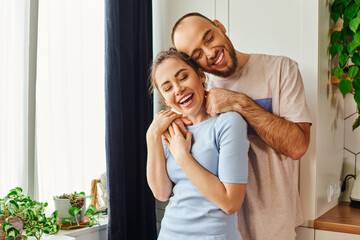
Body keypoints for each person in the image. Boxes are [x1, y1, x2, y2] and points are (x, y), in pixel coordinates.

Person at [171, 12, 312, 240]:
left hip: (273, 228)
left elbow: (298, 146)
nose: (210, 53)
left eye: (208, 38)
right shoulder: (194, 96)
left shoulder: (281, 70)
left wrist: (239, 103)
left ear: (220, 26)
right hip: (217, 231)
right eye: (197, 54)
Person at [146, 48, 249, 239]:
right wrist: (152, 136)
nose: (178, 90)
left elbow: (230, 203)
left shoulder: (228, 123)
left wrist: (182, 156)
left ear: (200, 75)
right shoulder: (170, 130)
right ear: (164, 99)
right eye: (167, 88)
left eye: (183, 77)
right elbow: (161, 193)